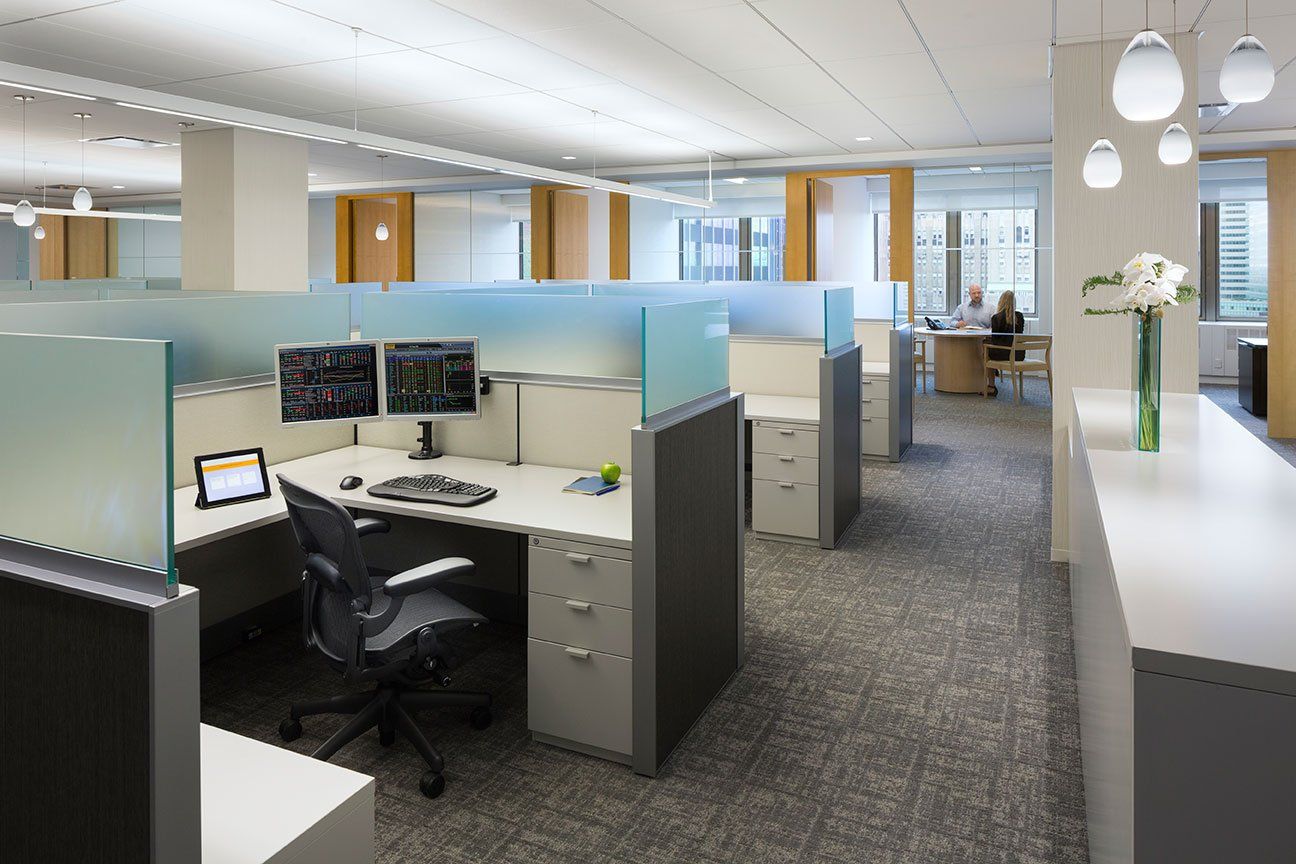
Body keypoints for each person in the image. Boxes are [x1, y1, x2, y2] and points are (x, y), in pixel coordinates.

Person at [985, 290, 1025, 396]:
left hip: (1003, 354)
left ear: (1001, 302)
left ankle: (991, 386)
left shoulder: (996, 317)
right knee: (988, 348)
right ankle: (995, 372)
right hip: (1018, 354)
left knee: (985, 349)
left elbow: (995, 340)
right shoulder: (1020, 317)